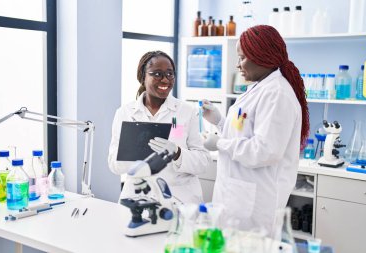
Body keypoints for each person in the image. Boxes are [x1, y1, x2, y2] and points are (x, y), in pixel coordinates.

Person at [202, 25, 309, 234]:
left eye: (242, 58)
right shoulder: (261, 87)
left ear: (262, 56)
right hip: (238, 196)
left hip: (256, 203)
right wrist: (220, 122)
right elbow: (245, 133)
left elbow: (264, 151)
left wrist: (219, 144)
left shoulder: (277, 94)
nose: (238, 65)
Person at [108, 50, 212, 204]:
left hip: (179, 198)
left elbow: (203, 162)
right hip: (137, 197)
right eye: (157, 74)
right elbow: (114, 165)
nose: (165, 80)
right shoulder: (125, 113)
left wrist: (177, 153)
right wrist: (134, 152)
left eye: (170, 74)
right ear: (143, 77)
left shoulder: (186, 111)